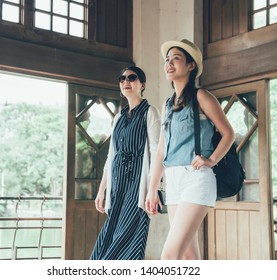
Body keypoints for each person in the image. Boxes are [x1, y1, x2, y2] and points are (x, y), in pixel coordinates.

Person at [145, 39, 235, 260]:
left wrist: (212, 159)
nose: (169, 64)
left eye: (176, 59)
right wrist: (152, 188)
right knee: (189, 259)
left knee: (168, 256)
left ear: (191, 66)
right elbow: (161, 151)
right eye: (167, 60)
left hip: (196, 179)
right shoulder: (167, 104)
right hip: (173, 181)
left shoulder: (201, 96)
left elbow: (228, 133)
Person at [90, 66, 161, 260]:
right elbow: (111, 156)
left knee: (130, 238)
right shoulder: (118, 118)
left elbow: (157, 152)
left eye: (132, 78)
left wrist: (153, 189)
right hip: (117, 184)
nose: (125, 82)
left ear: (142, 85)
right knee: (110, 235)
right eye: (122, 79)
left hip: (137, 185)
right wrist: (101, 190)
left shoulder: (150, 113)